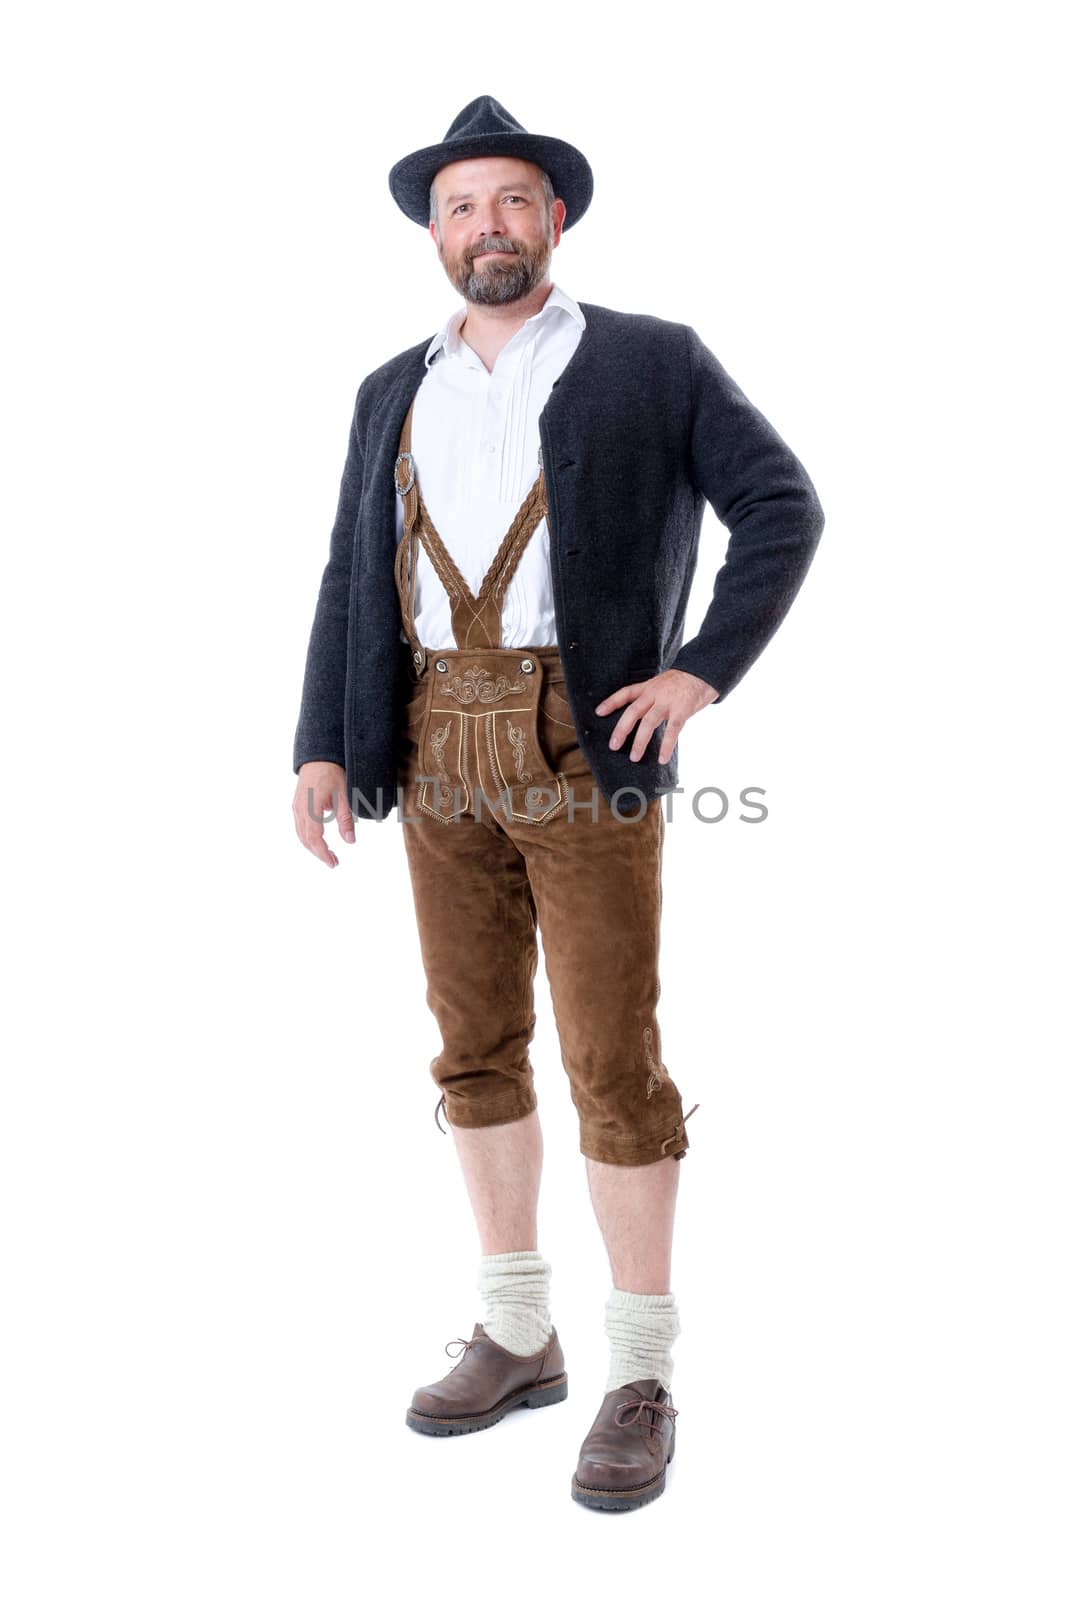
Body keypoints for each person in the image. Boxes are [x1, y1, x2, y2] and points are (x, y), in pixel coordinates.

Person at [291, 95, 824, 1511]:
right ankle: (520, 1333)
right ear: (434, 232)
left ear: (556, 218)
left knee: (614, 1064)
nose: (489, 227)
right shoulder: (388, 389)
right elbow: (357, 576)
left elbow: (783, 505)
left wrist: (699, 673)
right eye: (462, 207)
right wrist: (324, 742)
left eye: (513, 201)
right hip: (432, 740)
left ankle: (639, 1373)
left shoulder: (651, 362)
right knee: (471, 1050)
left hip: (586, 748)